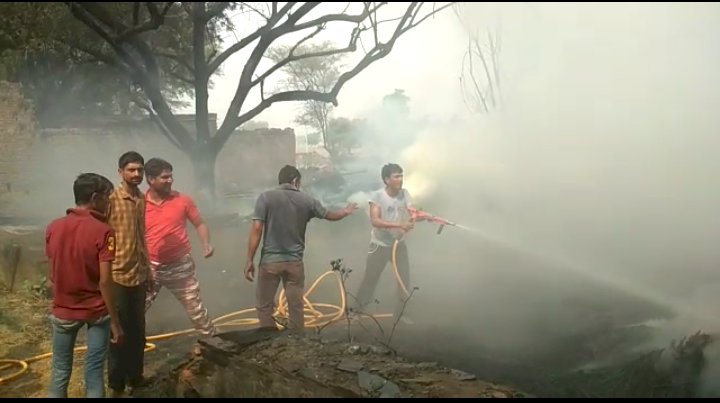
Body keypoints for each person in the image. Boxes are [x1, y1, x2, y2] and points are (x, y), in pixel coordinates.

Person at [244, 165, 357, 333]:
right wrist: (345, 212)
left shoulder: (265, 198)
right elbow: (330, 216)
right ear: (295, 181)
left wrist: (249, 259)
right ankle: (298, 343)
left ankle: (268, 340)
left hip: (270, 263)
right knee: (295, 307)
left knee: (264, 305)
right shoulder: (307, 200)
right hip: (294, 264)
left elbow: (257, 228)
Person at [45, 173, 123, 398]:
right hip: (96, 311)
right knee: (94, 371)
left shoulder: (53, 227)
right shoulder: (104, 231)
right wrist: (115, 322)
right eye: (107, 197)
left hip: (63, 311)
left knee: (59, 370)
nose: (109, 202)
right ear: (96, 198)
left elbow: (53, 271)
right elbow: (105, 280)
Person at [143, 157, 217, 337]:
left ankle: (213, 342)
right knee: (136, 309)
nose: (170, 180)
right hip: (150, 266)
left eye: (171, 176)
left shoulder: (183, 200)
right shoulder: (139, 204)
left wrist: (206, 243)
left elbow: (200, 224)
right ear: (151, 180)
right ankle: (130, 347)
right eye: (164, 177)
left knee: (196, 309)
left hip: (180, 265)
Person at [106, 151, 151, 397]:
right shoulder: (112, 199)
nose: (136, 174)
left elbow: (142, 237)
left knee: (138, 330)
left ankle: (136, 377)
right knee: (118, 333)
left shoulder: (141, 198)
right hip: (117, 275)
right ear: (120, 172)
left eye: (140, 170)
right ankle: (116, 384)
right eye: (131, 170)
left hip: (139, 274)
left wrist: (149, 268)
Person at [353, 163, 416, 324]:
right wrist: (400, 225)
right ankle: (357, 312)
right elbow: (375, 221)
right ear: (387, 179)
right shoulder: (377, 196)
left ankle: (402, 314)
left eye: (401, 175)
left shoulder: (405, 194)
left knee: (404, 280)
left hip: (399, 245)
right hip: (379, 245)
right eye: (396, 176)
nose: (400, 179)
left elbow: (412, 210)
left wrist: (419, 216)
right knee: (371, 279)